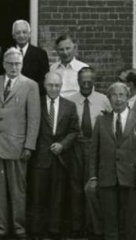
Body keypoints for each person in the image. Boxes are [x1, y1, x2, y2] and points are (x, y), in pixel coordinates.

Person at [0, 47, 40, 240]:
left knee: (18, 190)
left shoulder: (30, 85)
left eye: (17, 63)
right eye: (10, 63)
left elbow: (34, 118)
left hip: (18, 147)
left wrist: (29, 145)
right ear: (3, 64)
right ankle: (1, 228)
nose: (13, 67)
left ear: (22, 64)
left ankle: (19, 228)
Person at [30, 72, 79, 240]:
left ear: (61, 86)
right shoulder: (35, 103)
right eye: (50, 85)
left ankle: (54, 230)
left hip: (60, 158)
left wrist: (63, 145)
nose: (54, 88)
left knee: (57, 196)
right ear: (44, 85)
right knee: (38, 196)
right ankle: (36, 230)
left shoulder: (69, 106)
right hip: (40, 157)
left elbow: (74, 131)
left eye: (57, 85)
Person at [67, 67, 111, 239]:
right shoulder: (70, 101)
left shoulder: (104, 101)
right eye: (82, 81)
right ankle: (77, 227)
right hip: (76, 147)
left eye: (89, 81)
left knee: (92, 187)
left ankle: (93, 227)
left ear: (94, 81)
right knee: (76, 187)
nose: (86, 84)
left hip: (96, 147)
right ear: (77, 81)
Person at [89, 82, 136, 240]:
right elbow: (93, 152)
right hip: (107, 178)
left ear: (127, 97)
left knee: (131, 223)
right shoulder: (101, 121)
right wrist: (93, 177)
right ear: (108, 98)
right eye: (114, 95)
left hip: (131, 178)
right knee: (110, 222)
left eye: (121, 95)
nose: (118, 99)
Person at [12, 19, 49, 95]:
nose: (21, 35)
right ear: (13, 35)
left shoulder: (40, 54)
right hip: (13, 97)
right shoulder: (7, 53)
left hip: (33, 96)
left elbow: (44, 79)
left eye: (24, 32)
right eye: (18, 33)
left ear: (29, 34)